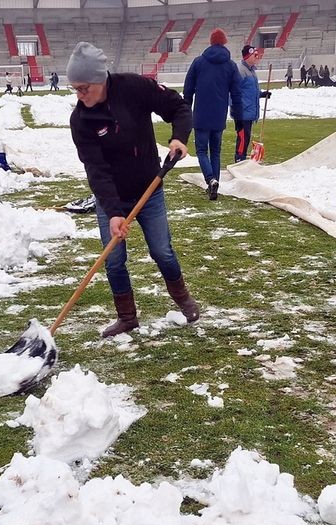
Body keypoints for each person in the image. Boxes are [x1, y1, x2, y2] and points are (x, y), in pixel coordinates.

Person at [67, 41, 198, 338]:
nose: (80, 95)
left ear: (101, 79)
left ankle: (184, 300)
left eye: (84, 88)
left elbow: (178, 106)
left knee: (162, 251)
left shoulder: (134, 88)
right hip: (111, 197)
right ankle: (127, 318)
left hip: (148, 189)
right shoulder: (81, 120)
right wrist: (113, 212)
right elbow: (96, 170)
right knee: (113, 261)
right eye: (75, 89)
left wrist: (179, 138)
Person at [183, 28, 243, 200]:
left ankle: (210, 179)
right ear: (224, 43)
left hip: (201, 114)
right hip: (219, 115)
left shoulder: (198, 62)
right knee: (215, 151)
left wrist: (186, 108)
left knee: (202, 151)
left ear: (210, 42)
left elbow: (188, 88)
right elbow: (237, 93)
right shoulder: (230, 66)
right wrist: (237, 117)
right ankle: (214, 183)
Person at [232, 45, 271, 162]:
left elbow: (249, 91)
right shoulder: (240, 70)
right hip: (241, 112)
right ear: (248, 56)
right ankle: (239, 159)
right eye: (255, 55)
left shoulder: (251, 71)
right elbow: (233, 91)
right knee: (243, 138)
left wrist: (262, 94)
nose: (257, 57)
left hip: (248, 111)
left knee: (246, 137)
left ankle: (242, 158)